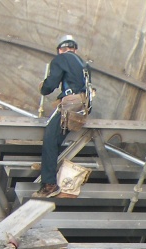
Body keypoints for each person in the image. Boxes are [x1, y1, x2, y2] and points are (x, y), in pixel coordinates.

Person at [34, 35, 93, 199]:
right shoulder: (83, 64)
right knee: (56, 139)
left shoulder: (60, 59)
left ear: (60, 49)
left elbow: (51, 83)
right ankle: (51, 169)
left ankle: (49, 185)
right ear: (74, 48)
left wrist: (44, 88)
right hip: (82, 105)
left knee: (50, 139)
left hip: (70, 104)